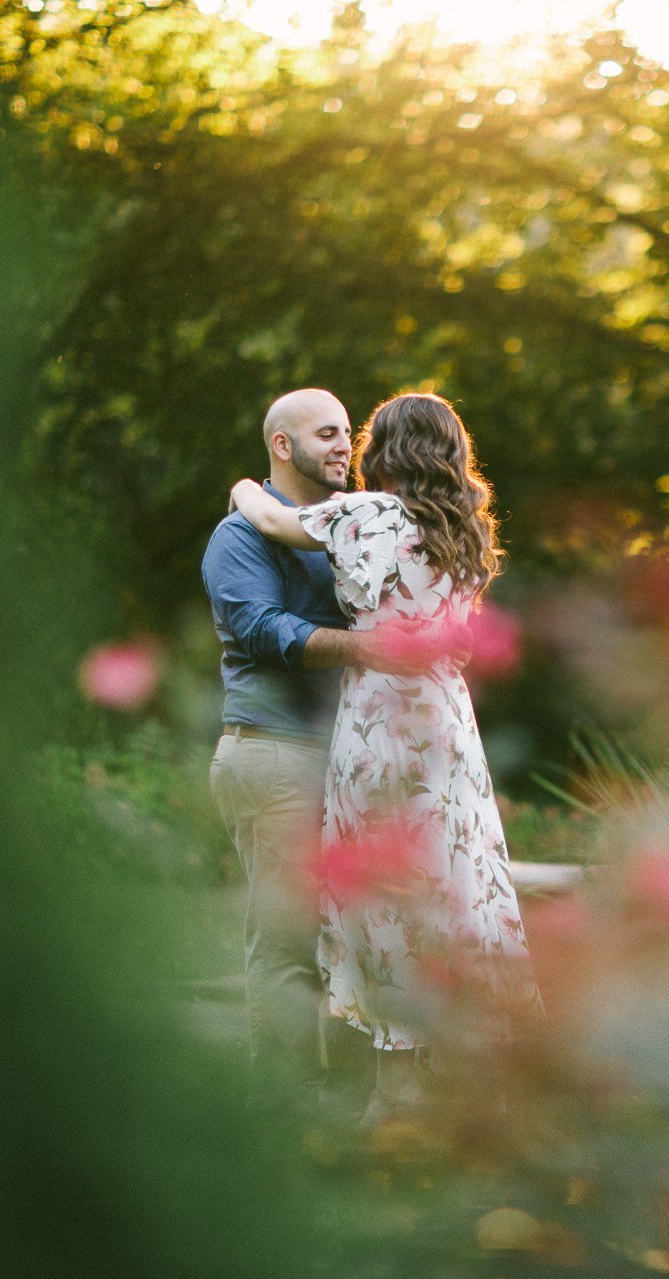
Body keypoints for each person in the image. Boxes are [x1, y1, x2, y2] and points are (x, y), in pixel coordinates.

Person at [230, 391, 537, 1125]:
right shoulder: (465, 531)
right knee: (455, 881)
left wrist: (243, 484)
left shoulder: (362, 516)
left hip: (377, 720)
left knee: (381, 886)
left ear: (383, 451)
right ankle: (467, 1071)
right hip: (446, 723)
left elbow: (267, 516)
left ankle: (392, 1089)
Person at [203, 388, 444, 1115]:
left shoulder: (351, 525)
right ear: (284, 445)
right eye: (328, 433)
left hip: (345, 760)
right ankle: (284, 1109)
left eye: (349, 432)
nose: (347, 445)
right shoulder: (238, 538)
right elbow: (264, 632)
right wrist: (372, 649)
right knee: (285, 941)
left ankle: (348, 1101)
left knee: (354, 931)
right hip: (273, 754)